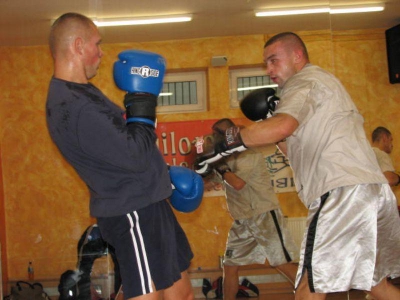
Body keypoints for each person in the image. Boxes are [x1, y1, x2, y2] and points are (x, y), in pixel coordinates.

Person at [196, 32, 400, 299]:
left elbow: (282, 125)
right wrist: (272, 121)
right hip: (371, 192)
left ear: (297, 56)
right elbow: (293, 146)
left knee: (309, 285)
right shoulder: (323, 85)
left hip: (342, 191)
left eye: (273, 60)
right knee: (375, 283)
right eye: (266, 63)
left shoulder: (303, 81)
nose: (269, 70)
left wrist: (226, 142)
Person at [46, 12, 197, 300]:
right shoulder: (73, 106)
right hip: (132, 211)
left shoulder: (82, 94)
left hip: (146, 205)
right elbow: (134, 156)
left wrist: (161, 173)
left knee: (182, 294)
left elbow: (117, 152)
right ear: (78, 46)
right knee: (148, 295)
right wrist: (144, 103)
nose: (101, 53)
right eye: (97, 44)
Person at [209, 118, 299, 300]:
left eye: (218, 133)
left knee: (281, 262)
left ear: (230, 132)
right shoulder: (227, 157)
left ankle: (312, 294)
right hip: (242, 219)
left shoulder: (247, 152)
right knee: (230, 266)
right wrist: (194, 177)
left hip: (263, 214)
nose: (215, 137)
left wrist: (219, 167)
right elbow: (213, 182)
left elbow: (237, 183)